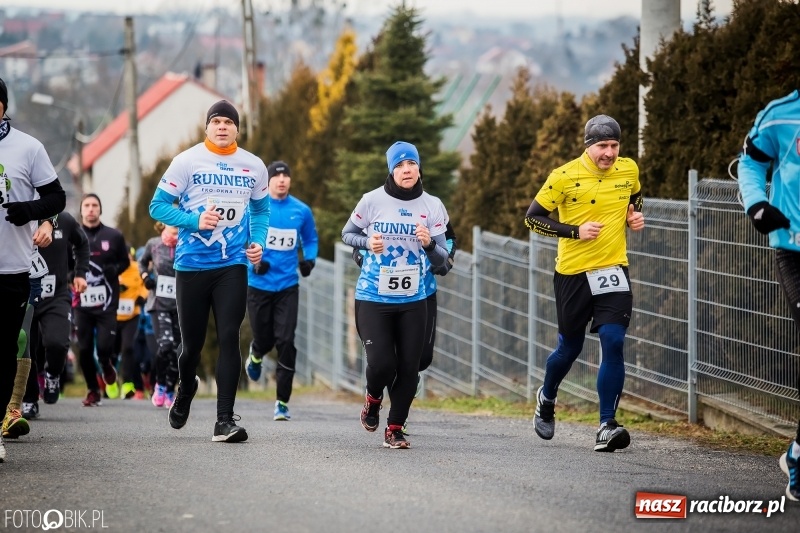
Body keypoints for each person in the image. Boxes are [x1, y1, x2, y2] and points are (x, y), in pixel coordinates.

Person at [149, 100, 269, 443]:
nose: (222, 127)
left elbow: (261, 211)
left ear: (237, 129)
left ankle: (224, 421)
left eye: (228, 122)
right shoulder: (186, 161)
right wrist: (193, 220)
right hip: (191, 265)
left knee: (230, 335)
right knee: (191, 348)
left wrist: (258, 241)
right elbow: (157, 206)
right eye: (216, 121)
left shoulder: (253, 166)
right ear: (206, 128)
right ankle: (186, 386)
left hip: (232, 264)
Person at [524, 114, 644, 452]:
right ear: (588, 145)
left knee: (613, 339)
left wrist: (633, 216)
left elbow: (636, 197)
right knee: (570, 348)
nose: (609, 153)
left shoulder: (629, 169)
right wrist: (575, 231)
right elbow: (533, 218)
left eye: (614, 145)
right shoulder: (563, 176)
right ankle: (547, 398)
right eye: (603, 146)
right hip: (573, 274)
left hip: (613, 269)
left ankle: (607, 424)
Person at [341, 141, 449, 449]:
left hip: (415, 299)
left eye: (411, 164)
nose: (406, 170)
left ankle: (395, 428)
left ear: (418, 168)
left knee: (410, 368)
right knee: (382, 363)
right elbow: (347, 233)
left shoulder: (432, 205)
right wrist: (366, 243)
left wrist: (429, 244)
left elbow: (444, 259)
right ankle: (373, 400)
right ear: (391, 170)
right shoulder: (372, 200)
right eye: (400, 165)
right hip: (373, 296)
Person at [737, 90, 800, 502]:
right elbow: (750, 162)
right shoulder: (781, 115)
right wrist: (757, 205)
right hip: (794, 249)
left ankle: (797, 450)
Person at [0, 76, 66, 462]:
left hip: (11, 268)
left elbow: (56, 196)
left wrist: (35, 213)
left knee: (7, 350)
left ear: (3, 106)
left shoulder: (27, 147)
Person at [352, 219, 457, 435]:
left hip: (422, 293)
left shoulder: (430, 208)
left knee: (421, 359)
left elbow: (448, 239)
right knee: (389, 362)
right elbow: (357, 238)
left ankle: (398, 407)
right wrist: (361, 255)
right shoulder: (378, 205)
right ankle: (395, 420)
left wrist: (444, 260)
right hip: (381, 297)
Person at [244, 160, 318, 421]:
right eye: (277, 176)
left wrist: (309, 259)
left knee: (286, 341)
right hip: (259, 285)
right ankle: (255, 354)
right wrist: (253, 264)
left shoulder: (301, 211)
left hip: (287, 285)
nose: (282, 180)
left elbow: (310, 239)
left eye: (286, 175)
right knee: (265, 340)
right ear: (268, 181)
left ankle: (282, 402)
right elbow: (239, 240)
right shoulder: (255, 208)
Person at [23, 211, 89, 415]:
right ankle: (29, 399)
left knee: (57, 342)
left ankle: (52, 375)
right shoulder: (19, 217)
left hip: (56, 295)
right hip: (25, 296)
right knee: (26, 349)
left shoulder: (65, 220)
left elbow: (82, 244)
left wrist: (80, 274)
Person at [75, 193, 129, 405]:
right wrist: (72, 276)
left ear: (100, 209)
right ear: (81, 210)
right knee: (85, 348)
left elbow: (125, 262)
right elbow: (66, 264)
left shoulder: (114, 235)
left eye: (94, 205)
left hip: (107, 302)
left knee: (106, 346)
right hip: (82, 303)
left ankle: (106, 364)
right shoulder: (75, 235)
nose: (91, 209)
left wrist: (114, 269)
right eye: (87, 205)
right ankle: (92, 389)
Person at [139, 223, 181, 409]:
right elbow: (141, 262)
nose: (176, 225)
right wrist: (145, 277)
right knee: (165, 345)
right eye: (172, 220)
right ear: (164, 223)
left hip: (181, 306)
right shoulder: (153, 244)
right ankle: (161, 385)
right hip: (159, 304)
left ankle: (171, 389)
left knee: (178, 351)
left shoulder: (188, 244)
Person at [116, 246, 149, 399]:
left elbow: (145, 285)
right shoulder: (112, 267)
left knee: (128, 348)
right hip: (112, 317)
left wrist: (142, 296)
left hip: (132, 315)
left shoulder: (136, 268)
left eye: (128, 255)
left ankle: (127, 384)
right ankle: (110, 380)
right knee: (109, 351)